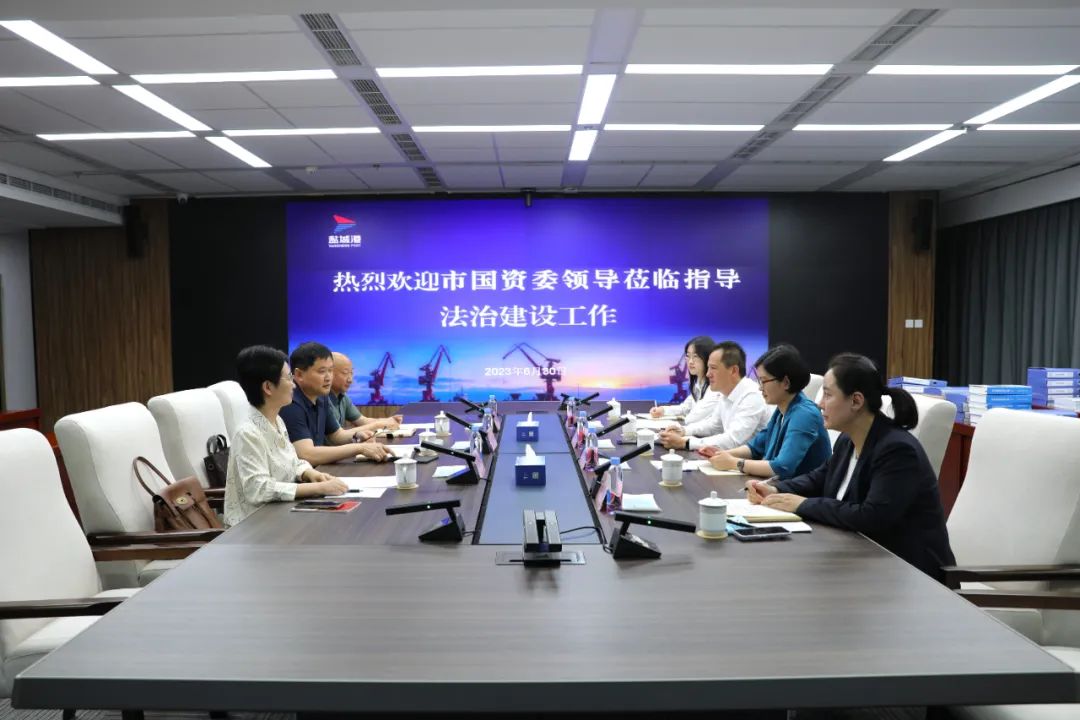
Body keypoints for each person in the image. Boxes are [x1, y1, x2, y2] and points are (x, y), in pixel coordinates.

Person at [746, 353, 955, 582]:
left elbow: (871, 516)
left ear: (856, 401)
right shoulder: (848, 439)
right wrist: (776, 489)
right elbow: (820, 477)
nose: (820, 404)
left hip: (911, 577)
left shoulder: (897, 450)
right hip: (864, 563)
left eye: (828, 395)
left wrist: (802, 504)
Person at [224, 345, 348, 527]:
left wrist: (309, 473)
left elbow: (292, 462)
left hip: (280, 515)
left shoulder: (277, 420)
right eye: (289, 377)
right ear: (268, 387)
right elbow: (258, 489)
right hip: (254, 527)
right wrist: (317, 488)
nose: (293, 384)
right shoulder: (248, 433)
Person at [706, 344, 831, 479]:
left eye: (763, 381)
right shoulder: (781, 411)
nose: (760, 388)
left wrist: (733, 463)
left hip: (805, 491)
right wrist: (722, 455)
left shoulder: (804, 414)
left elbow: (781, 467)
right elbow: (755, 447)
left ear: (785, 382)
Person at [279, 342, 390, 465]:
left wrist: (356, 436)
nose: (328, 378)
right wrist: (360, 448)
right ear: (299, 374)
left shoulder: (322, 396)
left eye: (330, 371)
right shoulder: (290, 402)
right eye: (322, 371)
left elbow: (336, 435)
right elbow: (307, 455)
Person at [660, 341, 769, 451]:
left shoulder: (752, 396)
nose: (708, 374)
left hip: (752, 459)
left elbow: (733, 440)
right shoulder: (726, 393)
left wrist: (685, 443)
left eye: (713, 368)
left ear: (733, 370)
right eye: (708, 368)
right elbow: (714, 425)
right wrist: (683, 431)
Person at [649, 336, 718, 427]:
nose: (690, 361)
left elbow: (692, 418)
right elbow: (685, 407)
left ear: (708, 358)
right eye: (688, 356)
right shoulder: (698, 384)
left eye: (695, 356)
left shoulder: (715, 388)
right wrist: (663, 410)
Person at [329, 352, 403, 433]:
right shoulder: (323, 400)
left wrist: (388, 421)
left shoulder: (343, 397)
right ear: (329, 373)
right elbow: (337, 436)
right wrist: (378, 425)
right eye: (345, 373)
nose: (350, 380)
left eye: (351, 373)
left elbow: (362, 420)